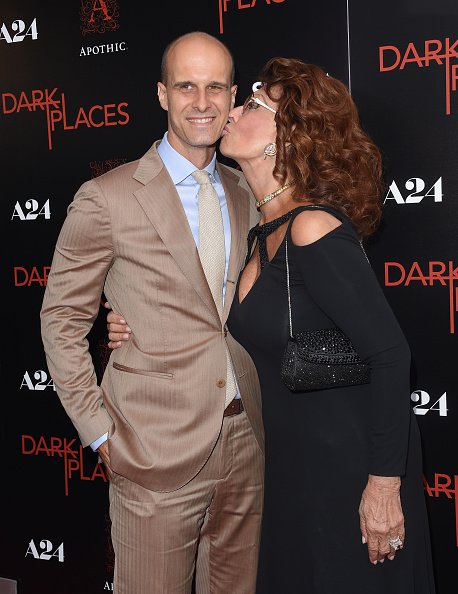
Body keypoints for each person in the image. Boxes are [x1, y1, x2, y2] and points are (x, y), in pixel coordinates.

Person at [106, 57, 436, 593]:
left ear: (286, 139)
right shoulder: (260, 231)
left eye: (253, 105)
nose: (233, 110)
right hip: (290, 467)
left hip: (350, 467)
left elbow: (390, 355)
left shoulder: (311, 226)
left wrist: (382, 484)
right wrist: (127, 321)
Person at [40, 31, 264, 594]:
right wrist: (99, 433)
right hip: (151, 449)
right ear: (162, 94)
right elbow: (61, 319)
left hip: (246, 439)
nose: (202, 101)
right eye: (186, 85)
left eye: (216, 87)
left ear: (234, 96)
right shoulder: (108, 197)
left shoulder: (245, 192)